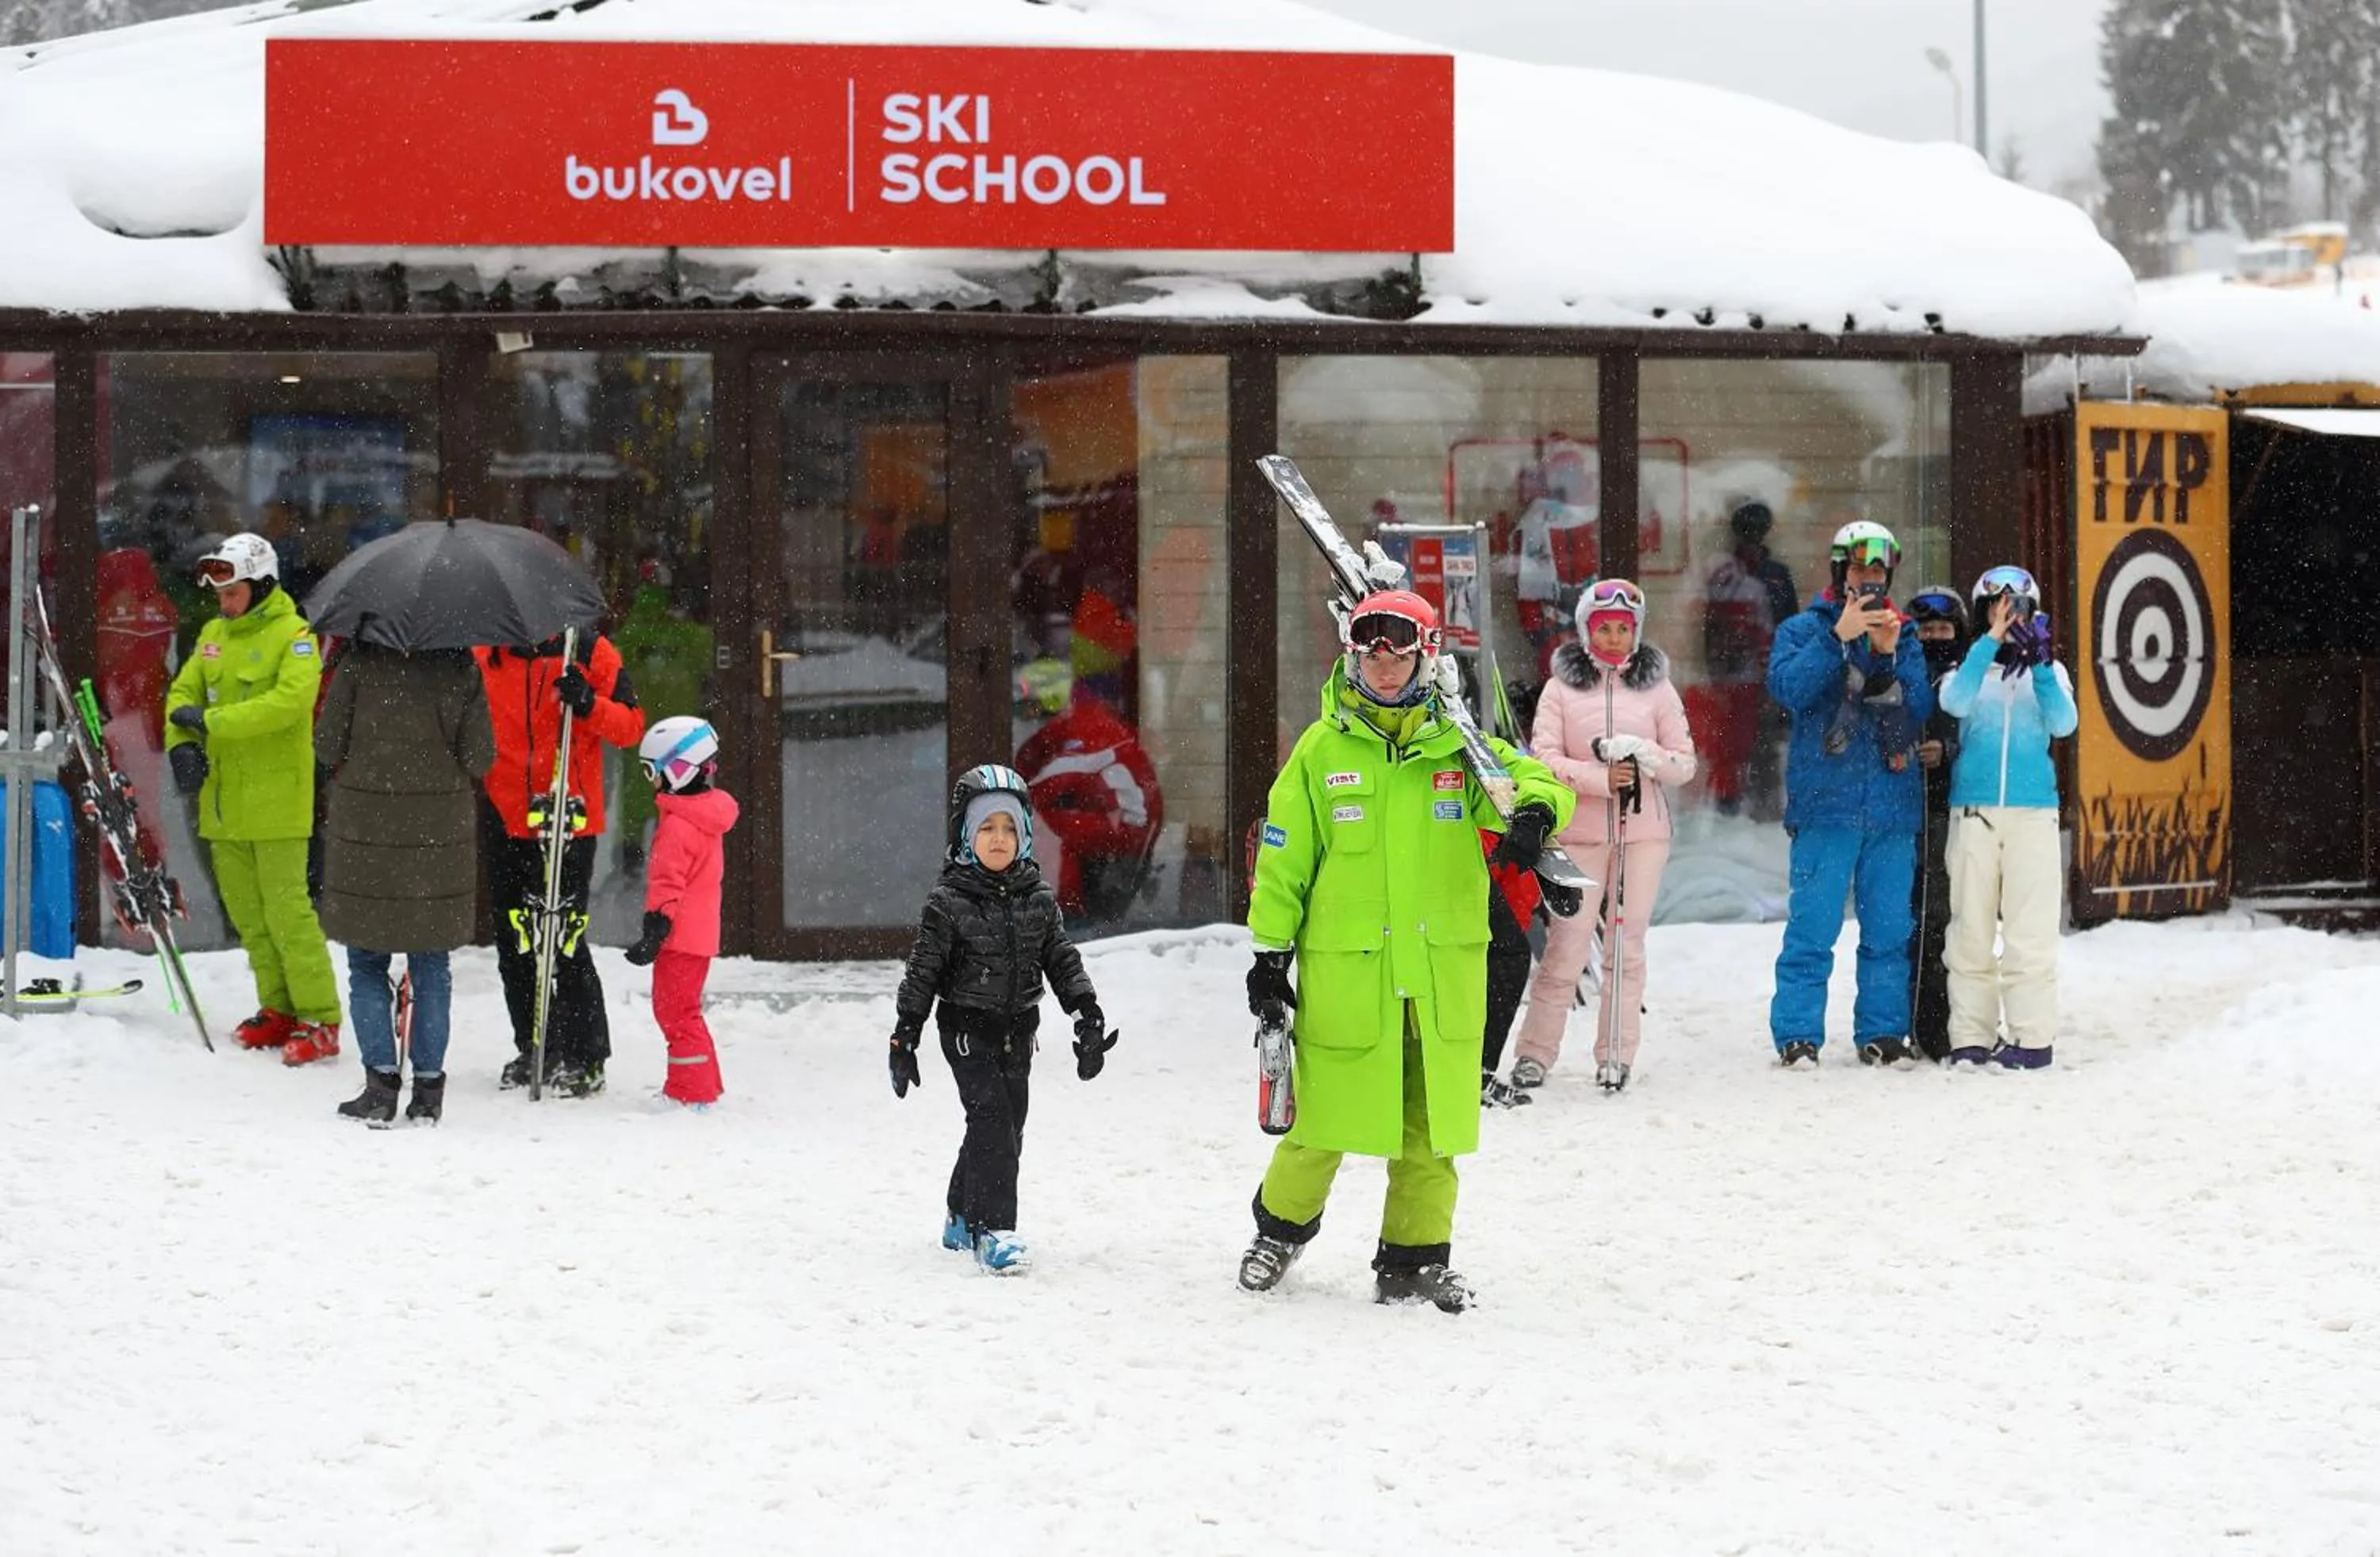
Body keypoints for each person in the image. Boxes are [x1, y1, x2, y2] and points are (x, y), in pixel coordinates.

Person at [1237, 590, 1574, 1312]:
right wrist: (1269, 958)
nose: (1385, 665)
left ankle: (1414, 1262)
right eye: (1371, 651)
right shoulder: (1321, 751)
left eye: (1400, 651)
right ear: (1352, 655)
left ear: (1428, 656)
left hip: (1440, 976)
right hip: (1350, 976)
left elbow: (1533, 778)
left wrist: (1539, 810)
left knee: (1433, 1127)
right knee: (1321, 1121)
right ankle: (1279, 1232)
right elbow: (1284, 857)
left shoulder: (1461, 747)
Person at [889, 764, 1115, 1276]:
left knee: (1007, 1126)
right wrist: (905, 1035)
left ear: (1026, 834)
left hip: (1019, 1030)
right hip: (967, 1030)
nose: (999, 838)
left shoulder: (1038, 897)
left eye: (1009, 827)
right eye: (986, 827)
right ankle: (996, 1231)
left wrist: (1087, 1016)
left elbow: (1062, 959)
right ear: (965, 835)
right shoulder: (948, 902)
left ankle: (961, 1211)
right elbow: (922, 972)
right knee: (992, 1123)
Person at [162, 533, 344, 1064]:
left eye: (233, 591)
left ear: (261, 584)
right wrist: (181, 746)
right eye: (219, 593)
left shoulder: (296, 637)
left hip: (278, 804)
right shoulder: (214, 635)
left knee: (289, 914)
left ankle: (321, 1017)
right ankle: (278, 1007)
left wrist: (211, 723)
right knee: (249, 916)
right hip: (223, 805)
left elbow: (287, 705)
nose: (224, 602)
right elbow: (181, 695)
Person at [1512, 578, 1698, 1094]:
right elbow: (1543, 757)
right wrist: (1597, 776)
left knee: (1626, 943)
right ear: (1585, 630)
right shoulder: (1560, 688)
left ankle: (1616, 1054)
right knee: (1567, 944)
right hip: (1580, 833)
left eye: (1623, 628)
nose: (1614, 638)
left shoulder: (1657, 688)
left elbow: (1684, 762)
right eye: (1604, 628)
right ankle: (1534, 1054)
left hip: (1643, 834)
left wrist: (1646, 757)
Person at [1764, 521, 1935, 1067]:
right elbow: (1789, 689)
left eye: (1879, 573)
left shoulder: (1904, 635)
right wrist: (1836, 637)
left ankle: (1882, 1034)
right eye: (1861, 571)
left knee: (1888, 930)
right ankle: (1798, 1036)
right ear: (1841, 573)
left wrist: (1885, 655)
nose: (1871, 582)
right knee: (1812, 928)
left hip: (1891, 806)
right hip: (1826, 804)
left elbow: (1917, 714)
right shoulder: (1802, 629)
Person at [314, 640, 496, 1125]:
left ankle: (379, 1085)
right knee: (432, 967)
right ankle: (429, 1092)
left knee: (367, 964)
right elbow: (480, 757)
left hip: (366, 832)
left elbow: (327, 745)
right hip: (436, 836)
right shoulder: (461, 668)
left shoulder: (357, 664)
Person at [475, 631, 646, 1097]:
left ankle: (587, 1055)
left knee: (564, 938)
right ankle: (536, 1044)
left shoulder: (589, 652)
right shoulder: (487, 653)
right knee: (515, 937)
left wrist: (588, 704)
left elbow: (631, 727)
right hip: (506, 815)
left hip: (566, 815)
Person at [1937, 566, 2078, 1069]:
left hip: (2033, 814)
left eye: (2019, 608)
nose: (2009, 615)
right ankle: (1970, 1039)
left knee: (2030, 932)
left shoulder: (2051, 673)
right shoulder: (1969, 670)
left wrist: (2038, 664)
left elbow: (2064, 723)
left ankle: (2033, 1038)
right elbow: (1953, 702)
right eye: (1998, 607)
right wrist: (1990, 642)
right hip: (1975, 813)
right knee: (1970, 929)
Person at [623, 717, 738, 1109]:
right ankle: (704, 1083)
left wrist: (655, 932)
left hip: (679, 937)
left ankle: (689, 1093)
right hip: (699, 934)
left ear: (677, 769)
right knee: (685, 1010)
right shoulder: (705, 816)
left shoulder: (678, 826)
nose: (648, 779)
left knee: (675, 1013)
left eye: (650, 770)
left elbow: (668, 883)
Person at [1699, 501, 1800, 817]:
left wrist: (1787, 670)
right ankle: (1730, 805)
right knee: (1733, 740)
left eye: (1758, 529)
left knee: (1765, 741)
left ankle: (1763, 807)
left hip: (1768, 672)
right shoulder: (1726, 573)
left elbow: (1790, 624)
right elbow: (1712, 627)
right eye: (1748, 529)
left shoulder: (1776, 574)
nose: (1753, 536)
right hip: (1733, 674)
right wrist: (1716, 670)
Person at [1904, 586, 1971, 1063]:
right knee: (1905, 922)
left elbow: (1983, 740)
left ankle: (1943, 1019)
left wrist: (1947, 753)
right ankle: (1902, 1019)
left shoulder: (1969, 680)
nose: (1934, 637)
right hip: (1902, 811)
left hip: (1951, 809)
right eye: (1925, 630)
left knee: (1943, 919)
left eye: (1943, 630)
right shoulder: (1901, 676)